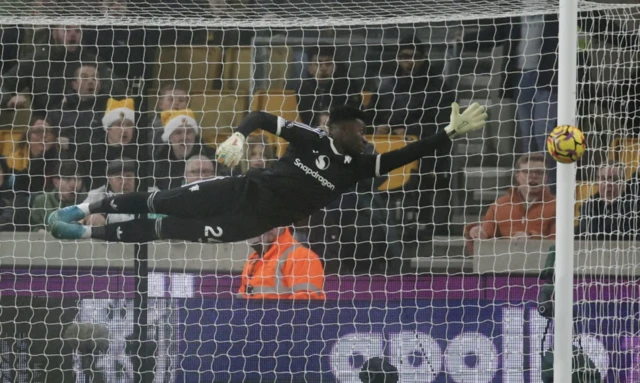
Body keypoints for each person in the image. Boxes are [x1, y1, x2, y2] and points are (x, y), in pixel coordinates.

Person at [46, 102, 488, 244]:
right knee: (165, 200)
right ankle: (82, 207)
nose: (365, 137)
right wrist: (238, 137)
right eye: (359, 131)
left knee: (170, 228)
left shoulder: (357, 168)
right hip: (242, 187)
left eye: (366, 131)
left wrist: (447, 133)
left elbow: (409, 152)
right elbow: (259, 116)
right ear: (335, 129)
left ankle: (85, 234)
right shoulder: (312, 139)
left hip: (252, 221)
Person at [464, 153, 556, 243]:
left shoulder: (558, 206)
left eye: (539, 172)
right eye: (527, 171)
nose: (533, 176)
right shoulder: (499, 205)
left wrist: (531, 238)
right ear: (517, 176)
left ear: (546, 177)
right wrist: (475, 232)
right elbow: (485, 239)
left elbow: (558, 243)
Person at [238, 226, 325, 300]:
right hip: (252, 318)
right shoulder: (253, 259)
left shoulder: (302, 256)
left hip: (281, 319)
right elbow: (241, 301)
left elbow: (303, 309)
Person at [577, 163, 639, 239]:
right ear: (597, 180)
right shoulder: (588, 206)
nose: (609, 183)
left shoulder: (633, 207)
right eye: (603, 179)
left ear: (623, 182)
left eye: (615, 179)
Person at [30, 161, 84, 233]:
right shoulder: (42, 201)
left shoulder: (87, 201)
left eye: (78, 179)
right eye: (68, 179)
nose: (73, 184)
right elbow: (34, 227)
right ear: (56, 182)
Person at [81, 158, 136, 227]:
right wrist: (88, 218)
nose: (124, 182)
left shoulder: (148, 194)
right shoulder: (96, 195)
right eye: (119, 177)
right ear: (109, 179)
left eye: (129, 176)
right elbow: (78, 215)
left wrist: (106, 218)